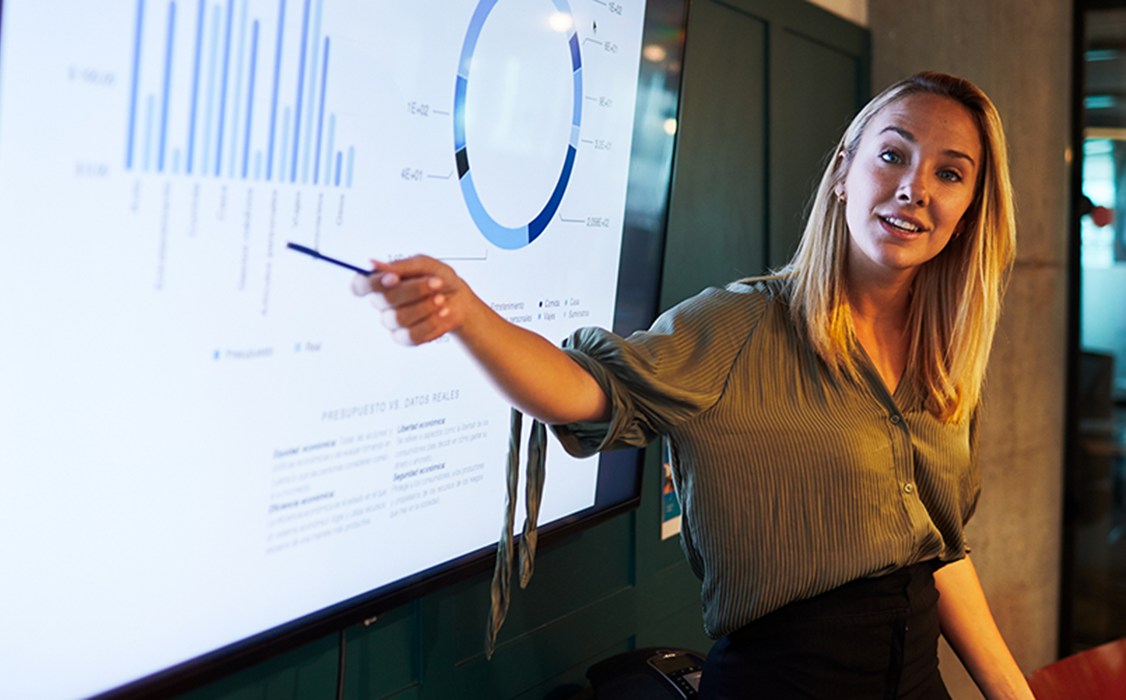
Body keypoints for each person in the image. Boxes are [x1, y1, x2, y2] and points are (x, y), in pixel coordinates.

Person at [353, 71, 1035, 699]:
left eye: (950, 173)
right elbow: (585, 391)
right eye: (893, 154)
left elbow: (939, 554)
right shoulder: (742, 326)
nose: (916, 186)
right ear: (842, 172)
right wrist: (467, 316)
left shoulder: (944, 361)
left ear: (971, 207)